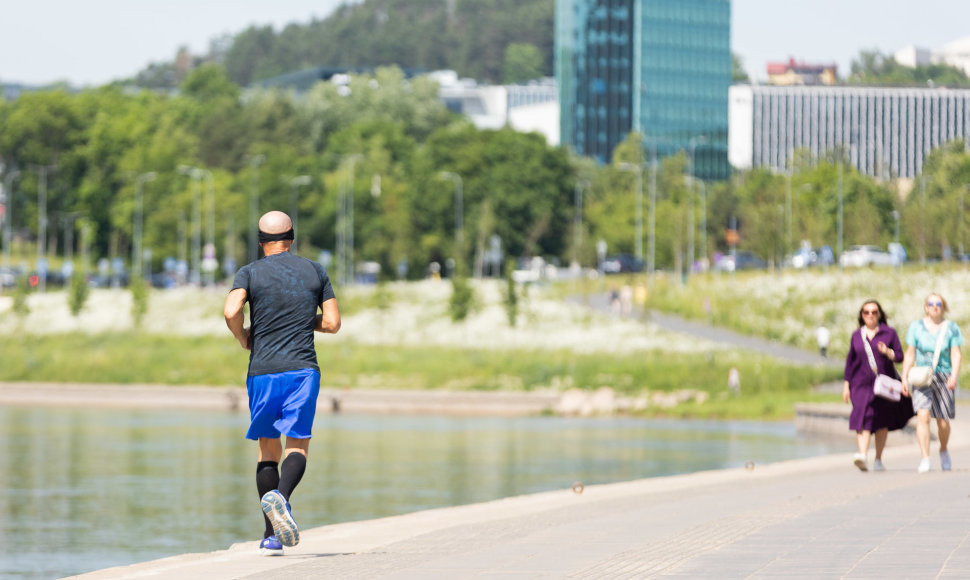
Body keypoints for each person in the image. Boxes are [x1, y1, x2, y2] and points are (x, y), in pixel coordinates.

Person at [224, 210, 341, 555]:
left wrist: (243, 335)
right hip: (302, 370)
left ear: (261, 243)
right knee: (297, 444)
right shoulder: (314, 270)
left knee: (267, 449)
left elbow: (231, 310)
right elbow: (333, 323)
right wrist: (306, 321)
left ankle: (270, 538)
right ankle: (283, 498)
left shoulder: (249, 272)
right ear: (292, 238)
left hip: (262, 371)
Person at [842, 300, 913, 471]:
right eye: (866, 312)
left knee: (881, 421)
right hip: (860, 384)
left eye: (874, 312)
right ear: (862, 315)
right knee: (862, 415)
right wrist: (846, 385)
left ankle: (878, 459)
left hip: (883, 384)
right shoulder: (856, 335)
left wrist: (887, 352)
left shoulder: (889, 333)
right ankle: (863, 455)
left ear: (879, 314)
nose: (870, 315)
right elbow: (850, 362)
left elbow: (900, 356)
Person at [901, 293, 963, 473]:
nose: (935, 306)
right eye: (931, 303)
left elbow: (956, 353)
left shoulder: (951, 328)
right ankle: (925, 457)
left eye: (938, 304)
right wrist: (904, 376)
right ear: (926, 307)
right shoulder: (916, 327)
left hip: (944, 375)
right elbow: (910, 352)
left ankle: (943, 449)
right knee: (923, 416)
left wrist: (954, 375)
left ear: (944, 307)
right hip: (921, 376)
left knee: (942, 421)